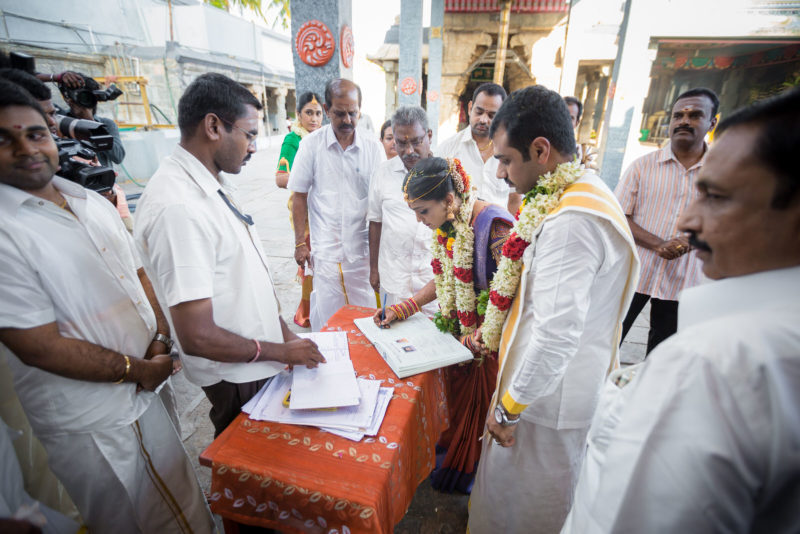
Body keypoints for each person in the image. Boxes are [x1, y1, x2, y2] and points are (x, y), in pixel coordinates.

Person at [563, 87, 800, 534]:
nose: (690, 223)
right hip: (645, 276)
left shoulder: (710, 364)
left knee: (660, 345)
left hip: (681, 288)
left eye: (717, 197)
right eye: (678, 114)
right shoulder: (643, 167)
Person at [0, 79, 214, 533]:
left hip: (148, 392)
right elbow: (39, 347)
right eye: (4, 139)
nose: (25, 148)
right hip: (90, 420)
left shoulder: (88, 200)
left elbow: (138, 275)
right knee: (125, 520)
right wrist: (139, 370)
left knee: (183, 504)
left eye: (35, 134)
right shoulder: (6, 231)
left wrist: (159, 337)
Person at [467, 85, 639, 534]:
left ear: (541, 151)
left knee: (524, 512)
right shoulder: (577, 192)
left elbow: (556, 333)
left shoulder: (572, 222)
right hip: (550, 395)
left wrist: (507, 407)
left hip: (545, 406)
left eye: (506, 160)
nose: (501, 173)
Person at [135, 73, 325, 437]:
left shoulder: (208, 182)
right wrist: (280, 352)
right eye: (249, 134)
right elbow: (198, 336)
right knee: (253, 463)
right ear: (213, 126)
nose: (254, 147)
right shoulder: (178, 207)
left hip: (256, 360)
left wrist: (286, 337)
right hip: (237, 373)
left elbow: (243, 281)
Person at [374, 156, 514, 493]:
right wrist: (404, 307)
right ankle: (451, 459)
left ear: (449, 200)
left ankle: (474, 477)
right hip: (464, 333)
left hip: (492, 341)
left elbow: (515, 299)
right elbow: (445, 277)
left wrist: (479, 339)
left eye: (423, 211)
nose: (420, 221)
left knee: (479, 416)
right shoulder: (449, 226)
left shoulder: (496, 230)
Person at [615, 87, 718, 355]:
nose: (684, 121)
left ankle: (648, 396)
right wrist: (659, 244)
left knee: (662, 352)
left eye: (695, 115)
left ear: (712, 123)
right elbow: (619, 215)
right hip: (636, 272)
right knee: (609, 341)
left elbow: (729, 220)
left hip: (684, 279)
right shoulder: (641, 166)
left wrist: (691, 241)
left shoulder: (723, 172)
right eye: (678, 115)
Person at [288, 78, 384, 331]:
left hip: (361, 253)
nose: (347, 120)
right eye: (339, 113)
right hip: (326, 252)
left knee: (366, 319)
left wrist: (377, 260)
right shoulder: (310, 145)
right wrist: (300, 242)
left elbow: (380, 204)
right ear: (327, 109)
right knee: (329, 319)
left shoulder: (373, 148)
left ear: (360, 110)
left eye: (353, 113)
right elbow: (299, 195)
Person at [368, 106, 436, 316]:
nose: (409, 150)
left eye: (416, 141)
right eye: (401, 143)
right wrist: (373, 269)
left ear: (429, 136)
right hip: (394, 278)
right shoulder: (382, 173)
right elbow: (375, 221)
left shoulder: (444, 173)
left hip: (432, 282)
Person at [275, 91, 324, 328]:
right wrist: (308, 178)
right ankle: (306, 313)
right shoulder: (294, 139)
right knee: (311, 262)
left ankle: (323, 307)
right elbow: (281, 178)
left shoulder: (324, 137)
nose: (314, 119)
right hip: (304, 213)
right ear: (298, 114)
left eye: (318, 113)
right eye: (308, 113)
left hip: (324, 210)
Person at [436, 82, 522, 214]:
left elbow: (515, 199)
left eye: (491, 116)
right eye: (479, 111)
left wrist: (509, 232)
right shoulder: (448, 149)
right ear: (470, 108)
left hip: (501, 231)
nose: (483, 119)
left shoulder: (512, 151)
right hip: (457, 232)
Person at [58, 73, 125, 168]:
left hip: (101, 180)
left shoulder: (106, 124)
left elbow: (118, 157)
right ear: (69, 99)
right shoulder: (59, 122)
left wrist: (92, 125)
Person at [564, 95, 598, 171]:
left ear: (577, 123)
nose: (565, 121)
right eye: (563, 116)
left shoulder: (582, 155)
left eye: (571, 118)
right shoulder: (542, 145)